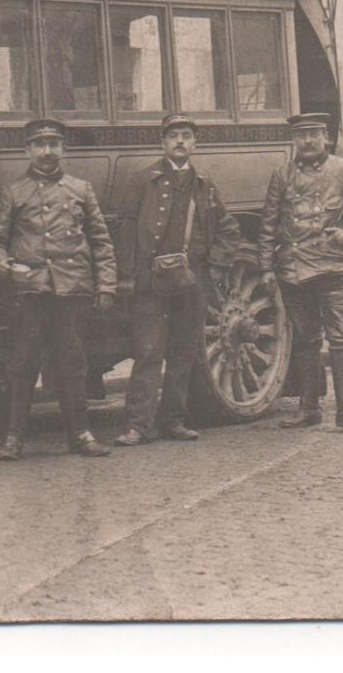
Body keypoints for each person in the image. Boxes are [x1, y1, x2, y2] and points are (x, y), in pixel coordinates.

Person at [0, 118, 116, 461]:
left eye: (54, 144)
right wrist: (2, 264)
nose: (47, 151)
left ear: (63, 149)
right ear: (27, 150)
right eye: (39, 145)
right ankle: (12, 439)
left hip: (72, 290)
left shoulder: (81, 189)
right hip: (31, 292)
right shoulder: (13, 192)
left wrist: (107, 284)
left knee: (73, 363)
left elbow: (101, 241)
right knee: (22, 363)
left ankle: (82, 435)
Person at [114, 113, 240, 448]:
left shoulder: (204, 185)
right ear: (163, 143)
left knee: (184, 351)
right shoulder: (143, 181)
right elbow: (125, 229)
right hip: (150, 282)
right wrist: (126, 276)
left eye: (186, 135)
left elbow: (228, 230)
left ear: (195, 143)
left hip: (191, 282)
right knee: (149, 351)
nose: (180, 141)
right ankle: (138, 425)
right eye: (173, 136)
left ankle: (173, 420)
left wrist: (215, 267)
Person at [262, 112, 343, 432]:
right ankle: (309, 408)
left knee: (342, 339)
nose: (307, 140)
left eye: (314, 134)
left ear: (326, 137)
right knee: (304, 339)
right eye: (301, 135)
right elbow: (269, 224)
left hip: (334, 268)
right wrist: (265, 266)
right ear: (294, 140)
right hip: (293, 270)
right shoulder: (282, 175)